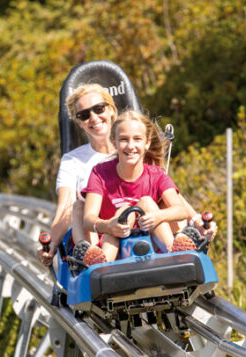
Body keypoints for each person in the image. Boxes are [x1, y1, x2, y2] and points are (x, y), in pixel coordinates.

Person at [80, 110, 202, 263]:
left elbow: (181, 210)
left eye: (137, 139)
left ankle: (174, 250)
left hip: (150, 241)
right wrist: (108, 226)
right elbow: (88, 219)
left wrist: (158, 216)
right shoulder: (100, 173)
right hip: (115, 239)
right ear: (114, 142)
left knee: (146, 203)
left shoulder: (156, 174)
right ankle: (102, 263)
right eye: (124, 139)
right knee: (122, 216)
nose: (131, 146)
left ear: (147, 143)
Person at [36, 83, 117, 266]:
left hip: (128, 225)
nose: (94, 118)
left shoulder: (130, 147)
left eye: (98, 109)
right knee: (80, 206)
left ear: (111, 109)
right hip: (94, 232)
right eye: (85, 115)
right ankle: (93, 257)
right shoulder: (72, 160)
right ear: (80, 123)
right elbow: (66, 205)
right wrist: (52, 245)